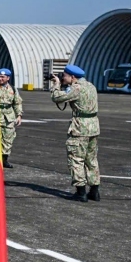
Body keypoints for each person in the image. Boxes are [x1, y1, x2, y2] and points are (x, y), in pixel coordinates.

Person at [49, 64, 100, 202]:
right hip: (93, 126)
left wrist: (56, 85)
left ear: (72, 77)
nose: (63, 78)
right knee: (91, 159)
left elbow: (57, 98)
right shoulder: (90, 86)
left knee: (76, 158)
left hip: (80, 127)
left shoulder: (76, 88)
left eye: (64, 76)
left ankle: (81, 192)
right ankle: (94, 191)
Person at [0, 69, 23, 168]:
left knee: (8, 139)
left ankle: (4, 160)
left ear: (8, 78)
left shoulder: (13, 89)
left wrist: (19, 115)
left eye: (3, 77)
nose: (0, 78)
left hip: (9, 117)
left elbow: (17, 103)